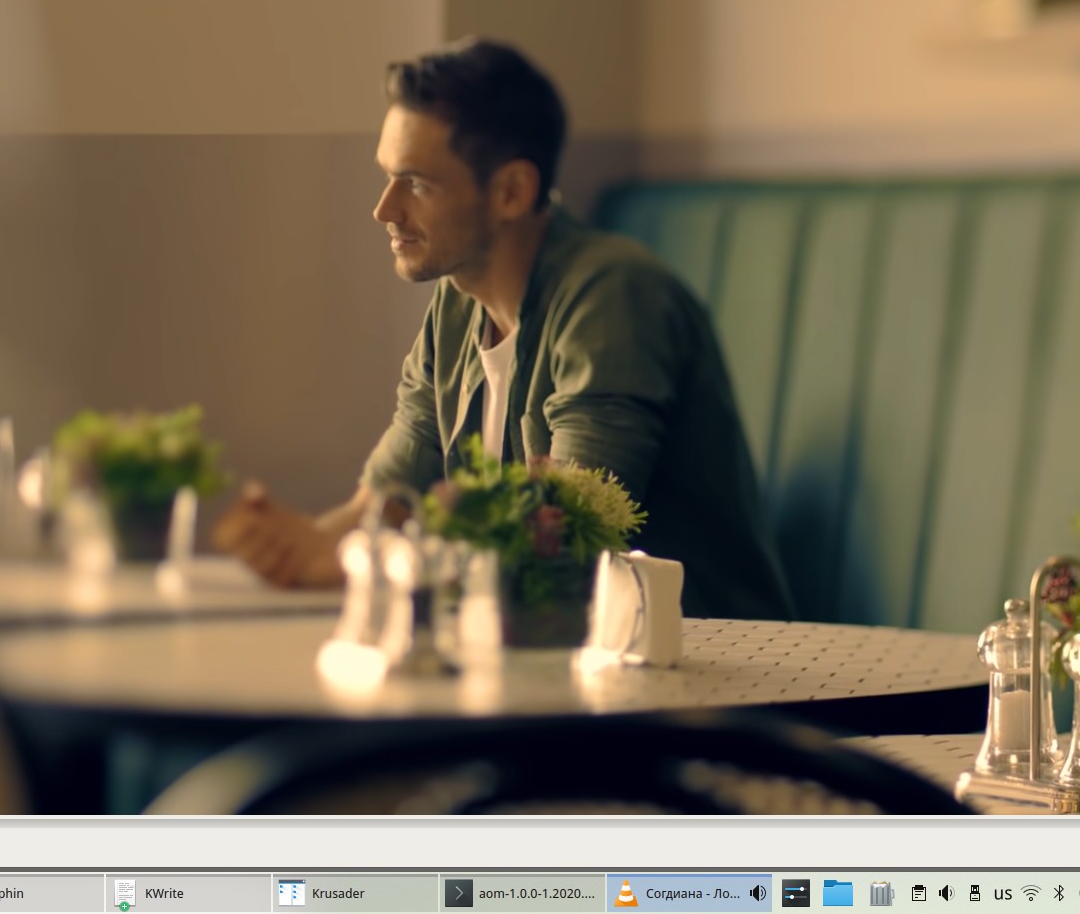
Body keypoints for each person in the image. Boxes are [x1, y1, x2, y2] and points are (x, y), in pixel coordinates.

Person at [211, 38, 795, 621]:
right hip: (543, 652)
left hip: (709, 659)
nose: (384, 209)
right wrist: (303, 547)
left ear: (511, 192)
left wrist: (350, 561)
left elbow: (563, 544)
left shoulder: (612, 294)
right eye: (387, 177)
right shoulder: (455, 301)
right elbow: (387, 505)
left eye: (416, 183)